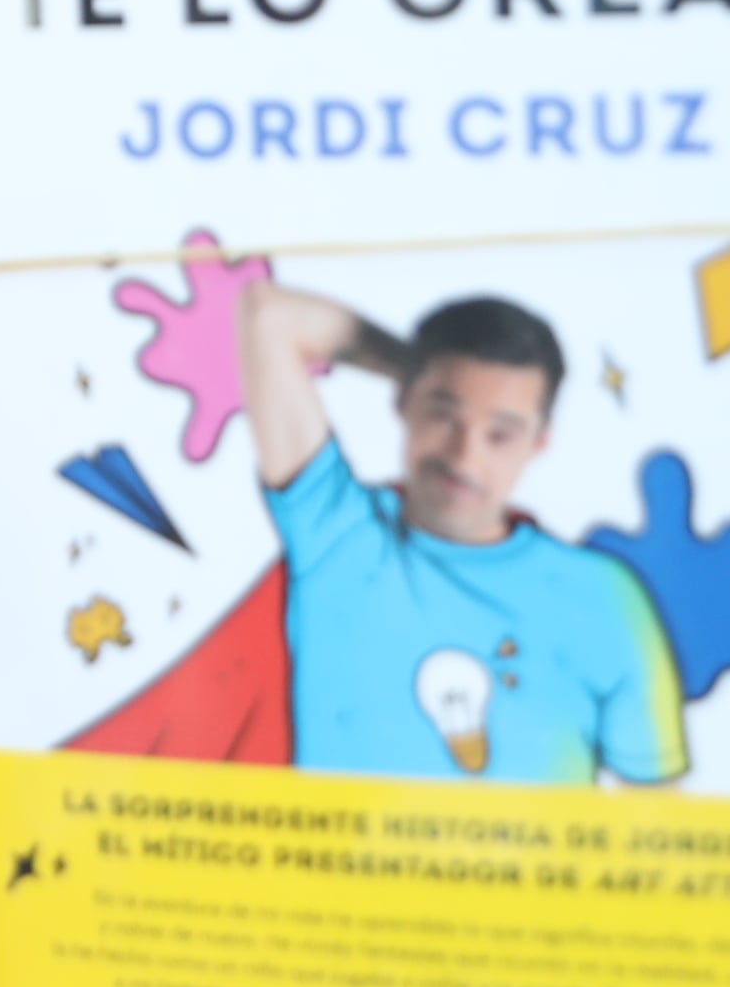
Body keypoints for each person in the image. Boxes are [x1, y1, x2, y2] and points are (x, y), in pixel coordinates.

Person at [232, 278, 684, 788]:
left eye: (500, 434)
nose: (464, 455)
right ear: (403, 402)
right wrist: (418, 364)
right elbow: (269, 316)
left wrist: (439, 385)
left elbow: (656, 816)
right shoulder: (337, 536)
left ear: (539, 443)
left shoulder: (605, 598)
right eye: (444, 416)